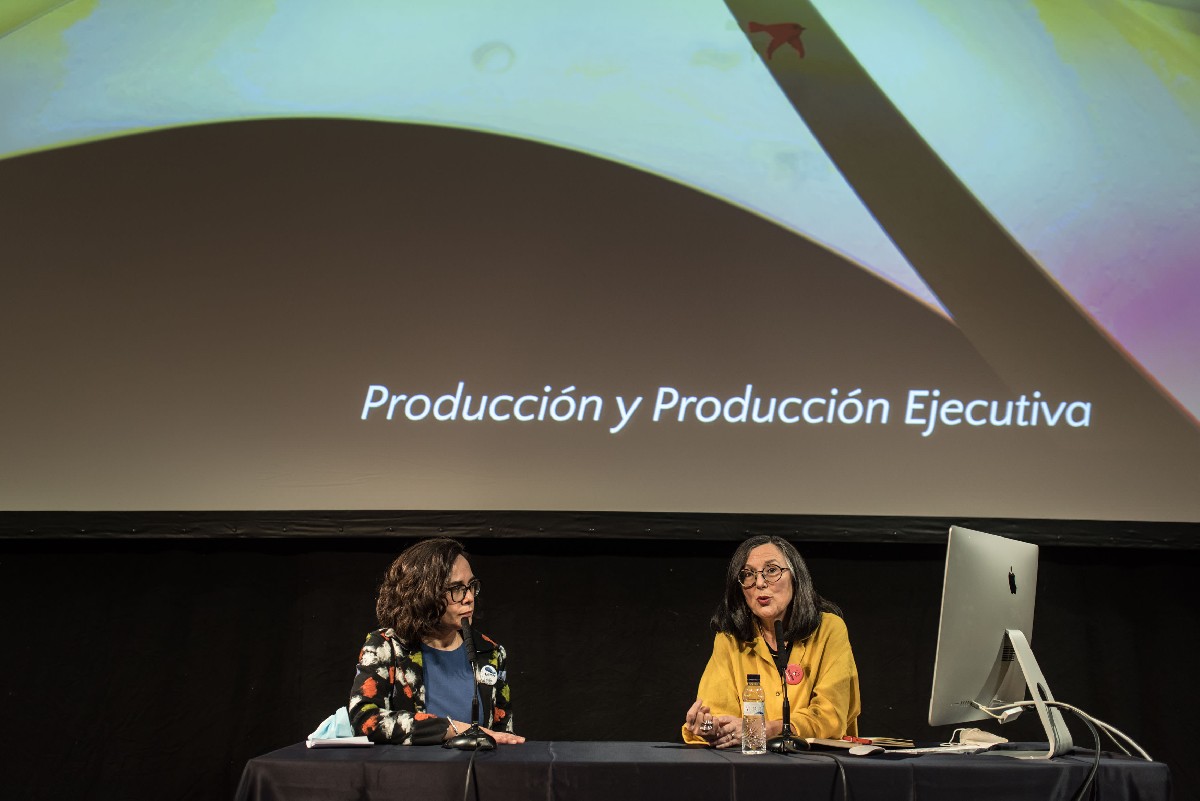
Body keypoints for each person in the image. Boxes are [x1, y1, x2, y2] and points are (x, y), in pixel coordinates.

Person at [682, 535, 860, 747]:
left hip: (816, 759)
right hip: (749, 761)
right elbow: (718, 713)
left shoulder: (829, 629)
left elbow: (831, 716)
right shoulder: (729, 640)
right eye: (748, 574)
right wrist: (711, 728)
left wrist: (769, 729)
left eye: (772, 570)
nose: (759, 583)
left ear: (795, 576)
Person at [348, 537, 524, 745]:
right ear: (423, 594)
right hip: (409, 767)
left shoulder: (490, 653)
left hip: (476, 767)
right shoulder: (387, 646)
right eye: (456, 588)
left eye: (471, 586)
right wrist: (452, 729)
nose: (469, 597)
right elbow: (364, 719)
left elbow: (503, 737)